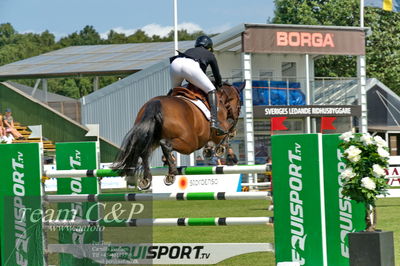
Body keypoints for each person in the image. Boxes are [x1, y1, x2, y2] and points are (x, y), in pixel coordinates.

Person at [170, 35, 226, 136]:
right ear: (209, 47)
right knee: (211, 90)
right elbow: (217, 74)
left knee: (174, 91)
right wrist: (219, 85)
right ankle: (214, 122)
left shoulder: (190, 50)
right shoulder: (210, 54)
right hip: (190, 66)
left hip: (175, 63)